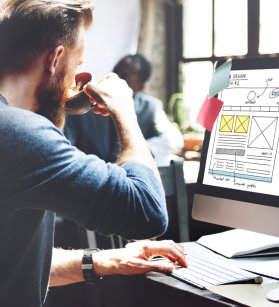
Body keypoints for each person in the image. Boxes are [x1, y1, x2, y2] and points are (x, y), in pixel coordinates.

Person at [0, 1, 186, 306]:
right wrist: (125, 111)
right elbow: (148, 211)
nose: (76, 77)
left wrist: (107, 261)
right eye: (78, 62)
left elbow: (13, 263)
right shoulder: (20, 134)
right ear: (56, 58)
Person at [64, 54, 184, 166]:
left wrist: (136, 152)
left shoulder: (150, 107)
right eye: (115, 71)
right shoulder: (85, 105)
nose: (116, 78)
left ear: (140, 86)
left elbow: (174, 140)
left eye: (125, 76)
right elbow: (66, 144)